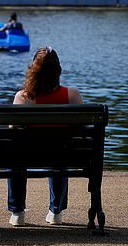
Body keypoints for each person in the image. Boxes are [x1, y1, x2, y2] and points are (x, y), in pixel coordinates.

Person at [7, 46, 84, 227]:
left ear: (33, 70)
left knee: (16, 157)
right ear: (58, 70)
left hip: (28, 155)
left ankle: (18, 212)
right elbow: (81, 129)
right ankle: (55, 211)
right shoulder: (72, 96)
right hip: (61, 155)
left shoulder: (23, 97)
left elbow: (12, 131)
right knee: (60, 155)